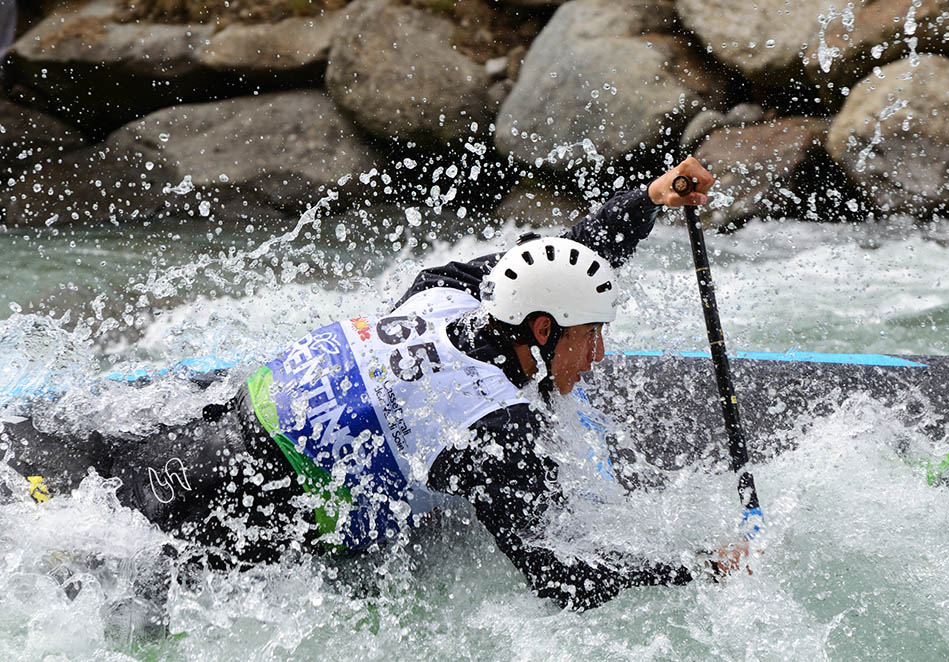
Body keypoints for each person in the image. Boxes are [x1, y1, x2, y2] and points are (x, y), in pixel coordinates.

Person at [3, 157, 749, 611]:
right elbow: (557, 576)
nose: (599, 361)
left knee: (67, 508)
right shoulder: (493, 433)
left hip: (190, 438)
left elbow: (562, 257)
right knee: (92, 578)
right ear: (545, 333)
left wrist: (647, 202)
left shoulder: (448, 291)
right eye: (593, 339)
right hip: (222, 530)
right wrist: (696, 569)